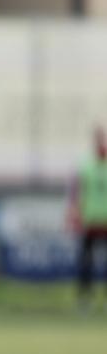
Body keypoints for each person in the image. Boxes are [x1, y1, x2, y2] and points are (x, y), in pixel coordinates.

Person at [68, 126, 107, 310]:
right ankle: (85, 300)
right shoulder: (86, 165)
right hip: (90, 222)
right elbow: (77, 192)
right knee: (86, 263)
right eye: (100, 139)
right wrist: (74, 213)